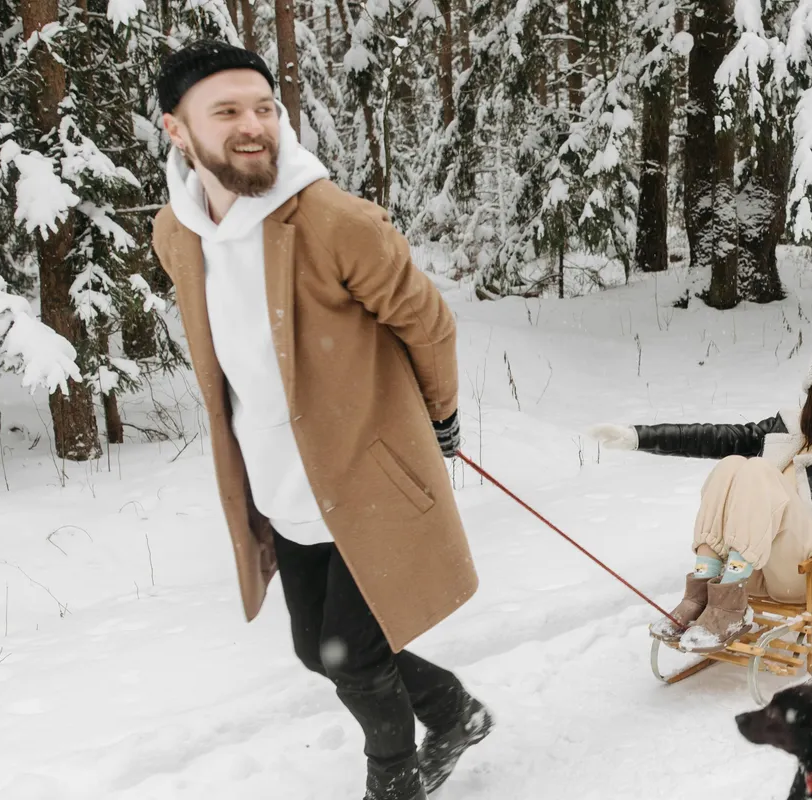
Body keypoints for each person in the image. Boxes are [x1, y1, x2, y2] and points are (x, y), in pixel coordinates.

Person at [149, 40, 490, 800]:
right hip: (282, 486)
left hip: (370, 478)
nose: (254, 125)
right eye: (227, 111)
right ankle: (453, 710)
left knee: (352, 655)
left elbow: (428, 325)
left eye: (265, 108)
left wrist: (439, 424)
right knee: (319, 649)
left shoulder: (334, 219)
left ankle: (394, 780)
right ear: (177, 130)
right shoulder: (177, 236)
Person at [588, 324, 812, 653]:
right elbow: (714, 436)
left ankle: (730, 600)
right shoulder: (790, 430)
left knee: (756, 470)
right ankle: (703, 589)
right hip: (759, 566)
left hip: (811, 574)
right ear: (811, 393)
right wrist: (638, 437)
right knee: (732, 463)